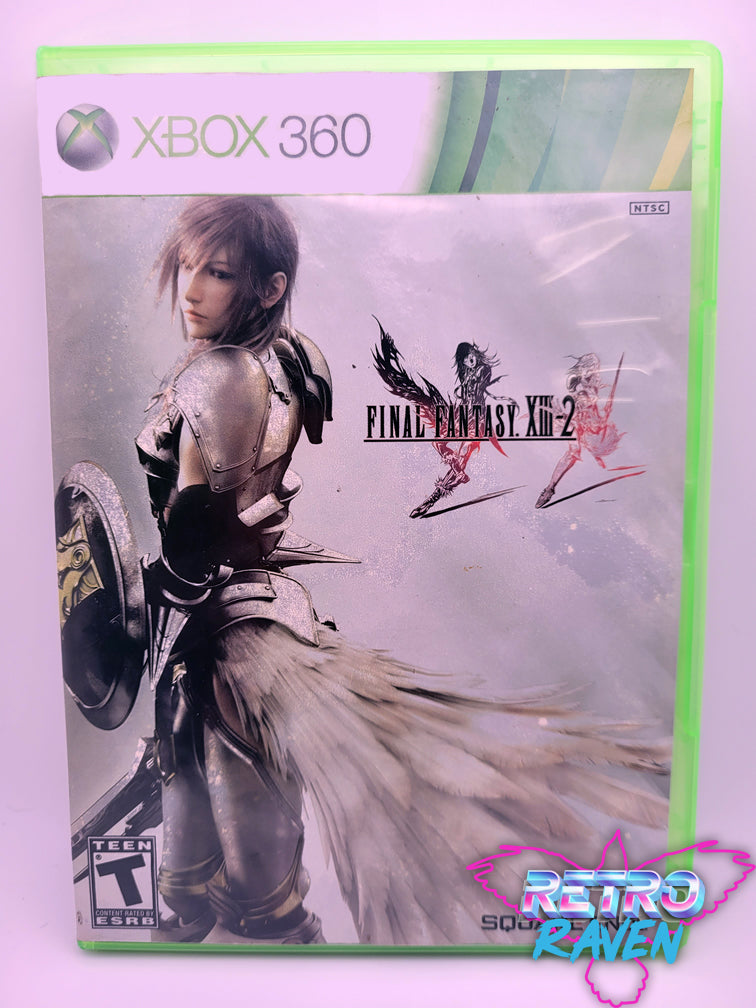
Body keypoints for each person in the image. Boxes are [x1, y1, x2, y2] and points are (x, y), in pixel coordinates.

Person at [135, 196, 668, 946]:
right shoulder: (290, 360)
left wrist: (146, 602)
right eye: (188, 267)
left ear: (270, 286)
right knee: (226, 877)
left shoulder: (216, 376)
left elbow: (196, 536)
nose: (191, 290)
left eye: (217, 273)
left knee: (240, 899)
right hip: (267, 617)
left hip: (223, 641)